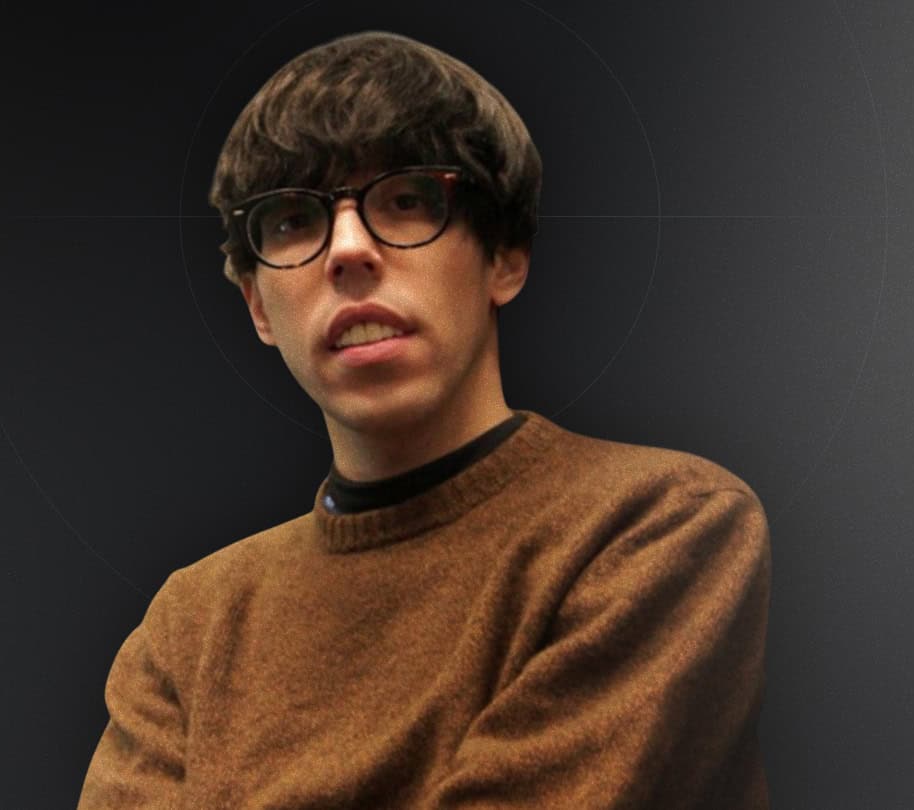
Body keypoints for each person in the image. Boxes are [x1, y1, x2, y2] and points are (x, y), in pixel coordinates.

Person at [77, 31, 771, 809]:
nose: (347, 250)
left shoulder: (658, 525)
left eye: (406, 201)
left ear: (503, 255)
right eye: (293, 220)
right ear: (257, 307)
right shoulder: (191, 625)